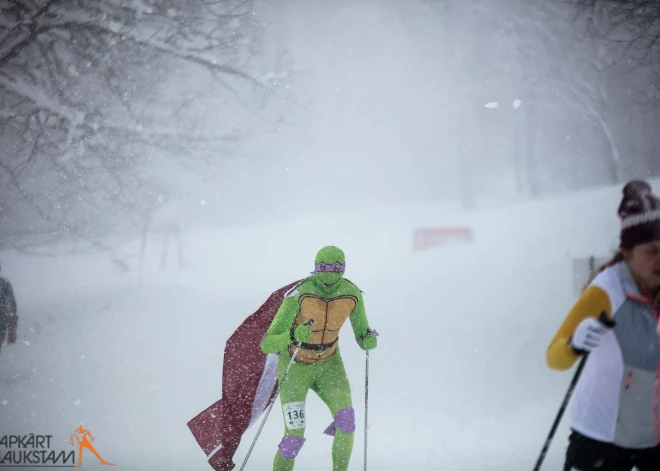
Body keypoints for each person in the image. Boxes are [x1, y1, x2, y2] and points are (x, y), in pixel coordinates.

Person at [547, 179, 660, 471]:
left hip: (653, 438)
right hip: (600, 440)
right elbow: (554, 356)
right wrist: (575, 345)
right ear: (628, 252)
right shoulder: (606, 290)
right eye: (652, 250)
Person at [260, 245, 378, 471]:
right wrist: (292, 335)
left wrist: (368, 340)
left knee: (346, 422)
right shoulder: (299, 295)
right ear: (316, 268)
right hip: (295, 367)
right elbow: (267, 343)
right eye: (324, 269)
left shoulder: (352, 294)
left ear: (343, 269)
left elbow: (362, 334)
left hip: (329, 365)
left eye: (335, 270)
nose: (329, 277)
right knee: (294, 436)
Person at [0, 263, 17, 357]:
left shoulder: (4, 285)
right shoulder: (4, 284)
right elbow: (11, 307)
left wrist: (12, 327)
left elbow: (11, 307)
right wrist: (12, 327)